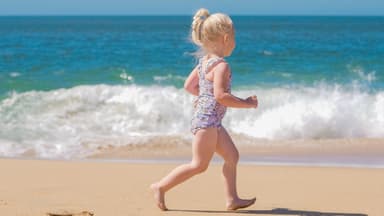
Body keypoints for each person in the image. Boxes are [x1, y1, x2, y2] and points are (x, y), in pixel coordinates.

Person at [150, 8, 258, 211]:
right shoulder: (221, 66)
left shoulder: (204, 62)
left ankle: (232, 199)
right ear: (226, 38)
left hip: (211, 122)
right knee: (199, 165)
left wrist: (202, 96)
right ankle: (160, 186)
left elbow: (189, 86)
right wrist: (247, 103)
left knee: (232, 156)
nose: (235, 41)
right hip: (207, 122)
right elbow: (220, 96)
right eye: (234, 37)